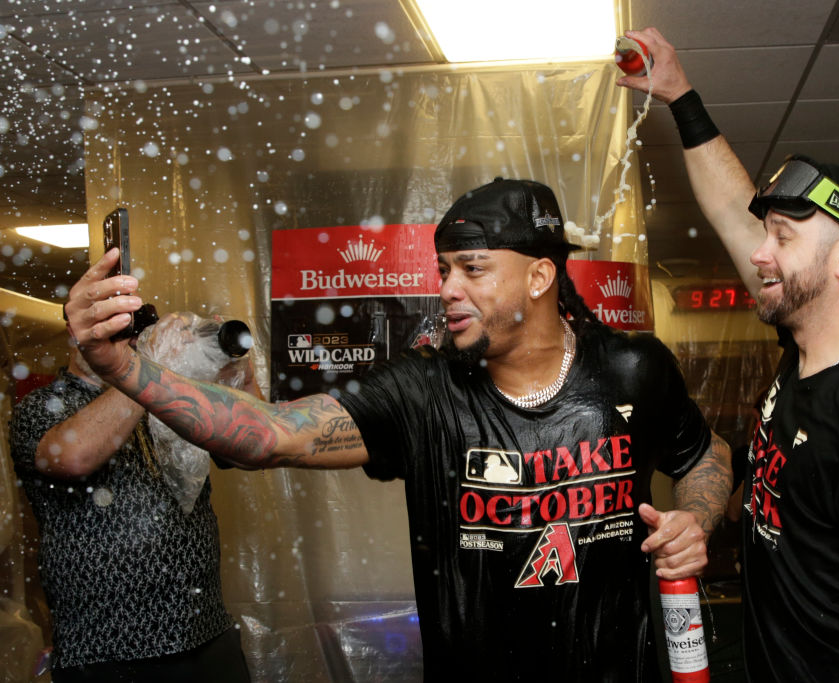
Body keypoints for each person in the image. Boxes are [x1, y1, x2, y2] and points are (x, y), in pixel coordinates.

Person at [63, 178, 733, 681]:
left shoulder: (634, 369)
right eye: (443, 269)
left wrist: (696, 521)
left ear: (540, 275)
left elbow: (706, 456)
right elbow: (273, 433)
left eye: (472, 268)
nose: (446, 287)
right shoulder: (425, 389)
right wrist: (123, 365)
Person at [618, 27, 839, 682]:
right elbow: (731, 210)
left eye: (782, 236)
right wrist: (680, 96)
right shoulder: (806, 349)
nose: (759, 252)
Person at [9, 325, 252, 682]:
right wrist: (148, 370)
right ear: (76, 335)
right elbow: (73, 456)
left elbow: (248, 452)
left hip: (206, 632)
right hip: (108, 651)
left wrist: (239, 374)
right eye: (113, 331)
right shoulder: (42, 406)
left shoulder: (169, 398)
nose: (128, 341)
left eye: (132, 331)